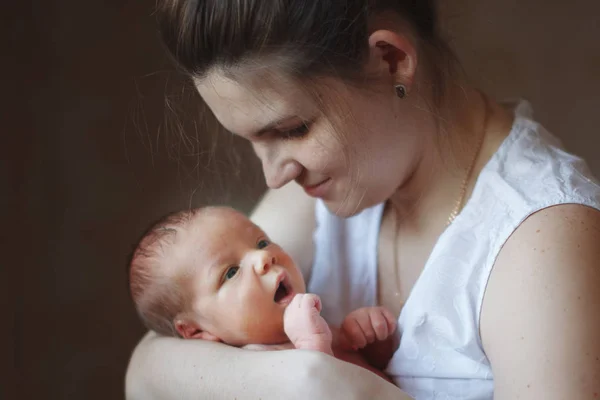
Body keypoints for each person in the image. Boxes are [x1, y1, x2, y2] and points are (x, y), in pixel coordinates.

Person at [125, 0, 600, 399]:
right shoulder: (324, 192)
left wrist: (351, 389)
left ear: (391, 60)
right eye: (252, 141)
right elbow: (148, 367)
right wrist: (304, 377)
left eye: (293, 129)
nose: (274, 176)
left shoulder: (544, 243)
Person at [127, 206, 398, 382]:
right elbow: (315, 389)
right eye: (231, 272)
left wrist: (364, 335)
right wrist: (313, 348)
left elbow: (377, 369)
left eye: (261, 242)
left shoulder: (317, 320)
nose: (263, 257)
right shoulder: (254, 367)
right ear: (197, 331)